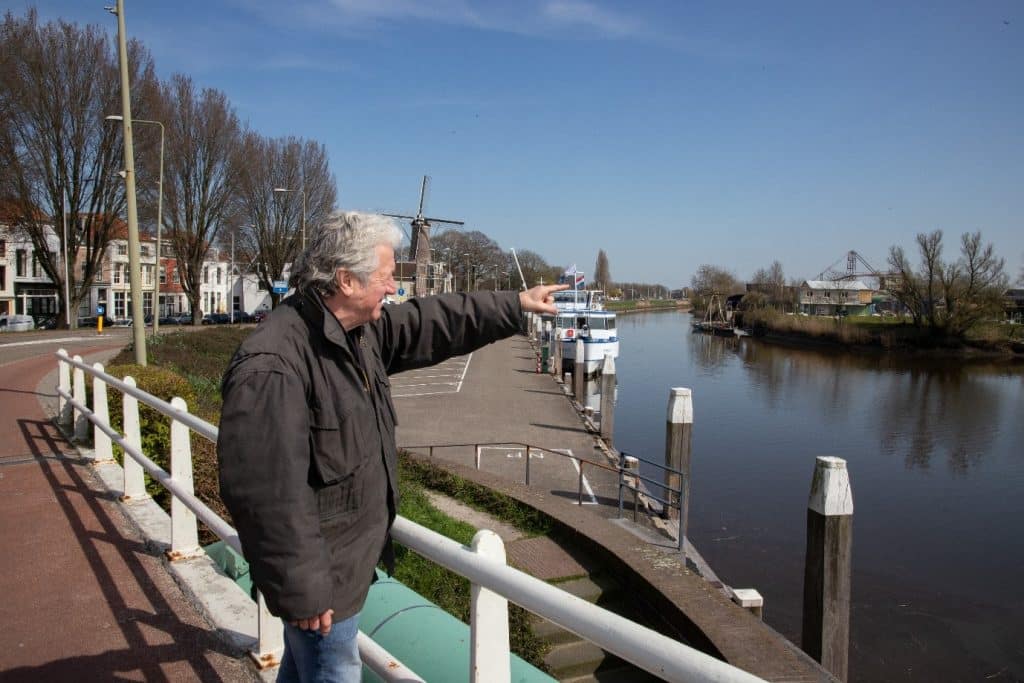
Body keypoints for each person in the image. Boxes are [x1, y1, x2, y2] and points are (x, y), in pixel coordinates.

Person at [216, 211, 566, 682]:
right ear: (346, 280)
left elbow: (433, 322)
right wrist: (303, 589)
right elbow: (264, 491)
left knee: (302, 672)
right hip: (323, 587)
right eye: (384, 278)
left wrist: (515, 304)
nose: (393, 289)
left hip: (339, 573)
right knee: (331, 670)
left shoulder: (356, 334)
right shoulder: (275, 364)